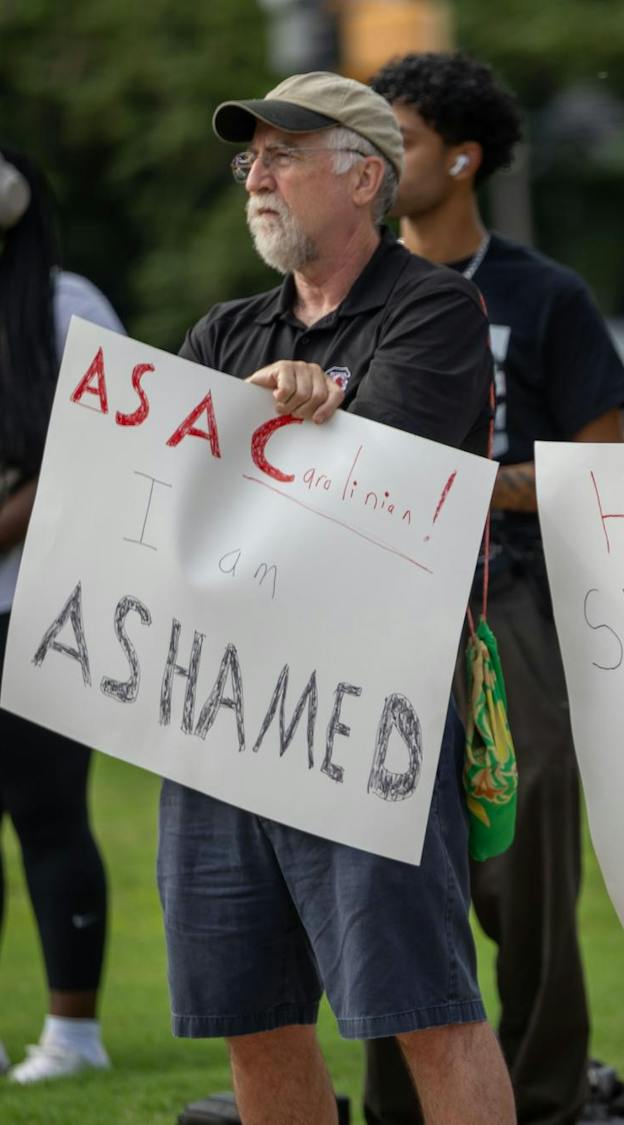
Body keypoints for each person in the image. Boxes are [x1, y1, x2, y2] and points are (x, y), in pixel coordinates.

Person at [159, 72, 515, 1125]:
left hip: (371, 720)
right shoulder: (223, 331)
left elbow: (373, 492)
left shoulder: (437, 308)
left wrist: (324, 410)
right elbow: (171, 506)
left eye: (281, 155)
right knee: (255, 1021)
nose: (256, 176)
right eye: (249, 160)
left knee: (426, 1011)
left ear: (364, 176)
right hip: (222, 723)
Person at [363, 51, 624, 1125]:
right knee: (389, 875)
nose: (383, 163)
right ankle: (400, 1108)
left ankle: (545, 1102)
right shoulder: (358, 289)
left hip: (512, 605)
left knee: (522, 882)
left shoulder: (542, 294)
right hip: (380, 607)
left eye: (405, 143)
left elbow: (606, 472)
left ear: (463, 158)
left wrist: (471, 485)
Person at [0, 144, 120, 1085]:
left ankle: (72, 1031)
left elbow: (99, 450)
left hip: (37, 604)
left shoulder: (62, 301)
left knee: (49, 815)